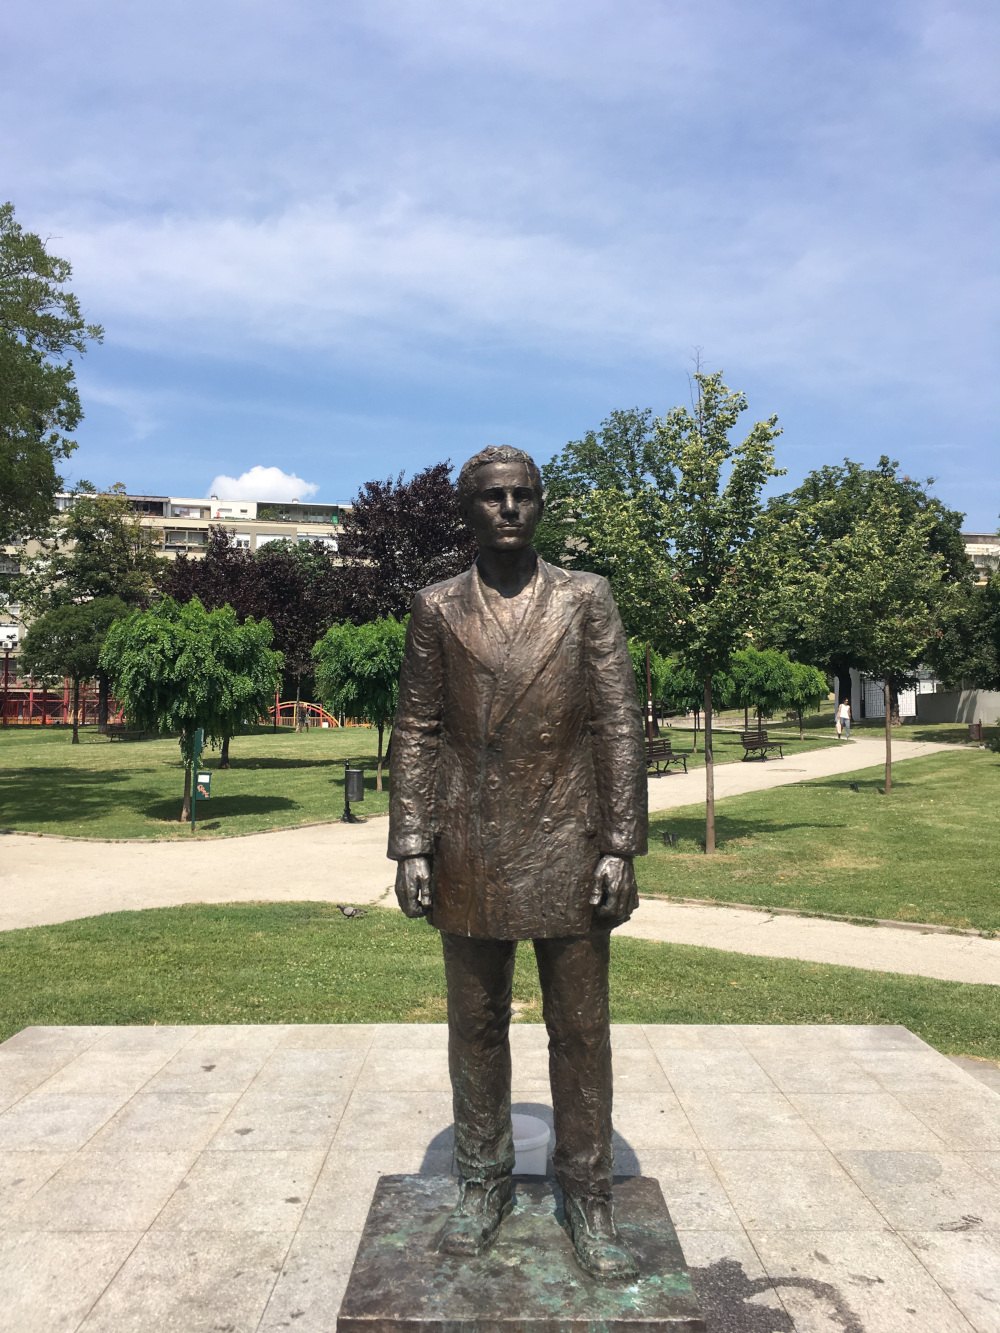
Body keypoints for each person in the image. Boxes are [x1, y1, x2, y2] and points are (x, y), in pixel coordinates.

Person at [388, 445, 647, 1280]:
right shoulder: (434, 608)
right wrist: (414, 842)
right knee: (474, 1027)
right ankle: (481, 1179)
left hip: (568, 841)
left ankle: (588, 1195)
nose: (509, 508)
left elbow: (617, 725)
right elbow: (419, 729)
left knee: (580, 1030)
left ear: (541, 505)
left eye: (523, 495)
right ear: (467, 509)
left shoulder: (585, 599)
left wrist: (619, 843)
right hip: (470, 845)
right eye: (493, 496)